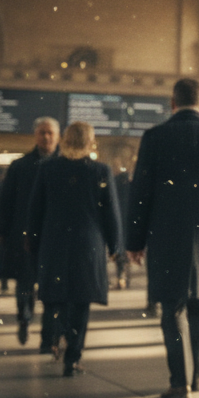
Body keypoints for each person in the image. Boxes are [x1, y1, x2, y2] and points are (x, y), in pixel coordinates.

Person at [126, 78, 199, 398]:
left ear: (172, 103)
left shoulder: (155, 137)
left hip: (167, 234)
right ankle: (197, 378)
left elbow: (141, 192)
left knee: (171, 307)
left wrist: (134, 240)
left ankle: (179, 383)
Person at [26, 122, 121, 377]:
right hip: (87, 244)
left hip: (54, 242)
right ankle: (73, 357)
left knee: (56, 295)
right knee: (81, 300)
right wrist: (115, 246)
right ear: (90, 141)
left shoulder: (48, 168)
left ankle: (57, 334)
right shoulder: (100, 171)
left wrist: (33, 241)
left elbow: (36, 209)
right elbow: (110, 213)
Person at [0, 117, 60, 348]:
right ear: (35, 136)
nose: (46, 137)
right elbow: (7, 201)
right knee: (25, 282)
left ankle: (48, 337)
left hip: (53, 236)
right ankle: (24, 317)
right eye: (42, 133)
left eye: (50, 133)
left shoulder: (65, 165)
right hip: (24, 235)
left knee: (51, 287)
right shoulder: (20, 166)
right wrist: (1, 231)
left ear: (58, 136)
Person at [111, 155, 133, 290]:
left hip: (118, 218)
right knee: (125, 250)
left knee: (120, 250)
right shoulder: (129, 182)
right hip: (127, 219)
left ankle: (121, 277)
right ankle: (125, 277)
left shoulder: (114, 181)